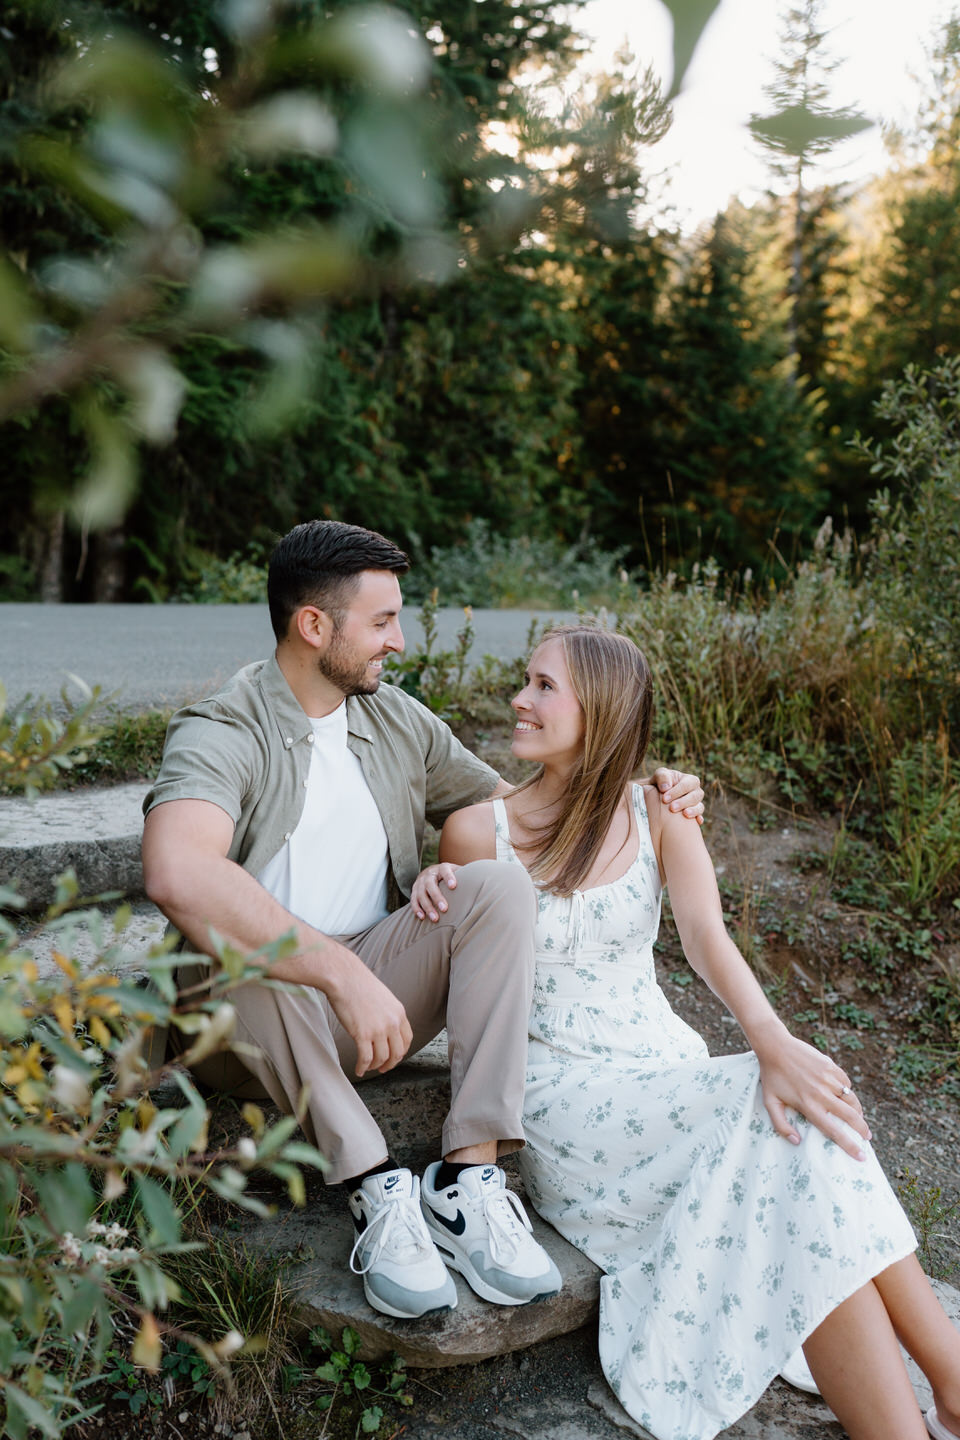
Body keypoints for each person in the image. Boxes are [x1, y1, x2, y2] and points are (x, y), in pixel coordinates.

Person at [140, 522, 704, 1325]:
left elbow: (523, 812)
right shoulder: (226, 727)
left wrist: (646, 792)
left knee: (494, 886)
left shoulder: (394, 720)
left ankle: (467, 1179)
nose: (399, 641)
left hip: (376, 997)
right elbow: (177, 871)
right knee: (236, 944)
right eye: (382, 622)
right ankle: (375, 1185)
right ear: (314, 625)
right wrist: (338, 973)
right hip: (247, 1020)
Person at [428, 623, 960, 1440]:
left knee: (794, 1140)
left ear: (602, 710)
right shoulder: (477, 832)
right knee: (774, 1103)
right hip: (567, 1098)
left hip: (664, 1067)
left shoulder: (659, 810)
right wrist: (767, 1057)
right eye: (526, 681)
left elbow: (708, 939)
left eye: (544, 686)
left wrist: (775, 1041)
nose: (519, 700)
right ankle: (953, 1383)